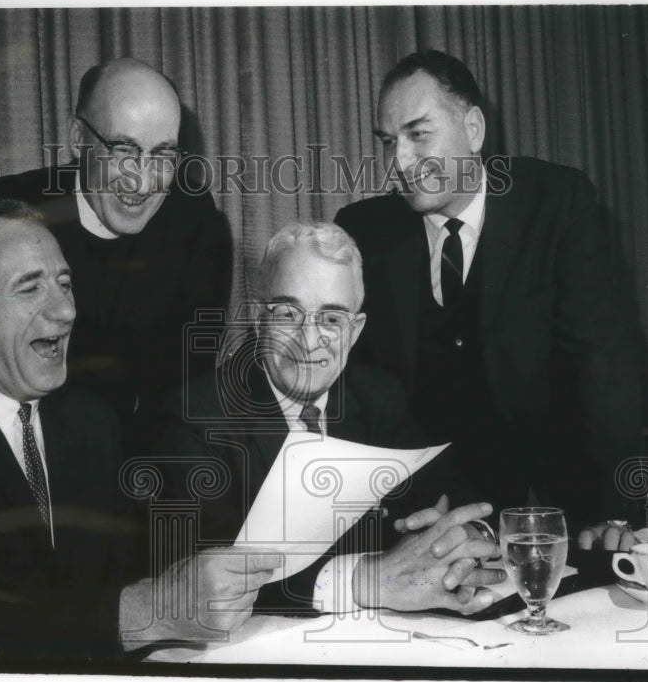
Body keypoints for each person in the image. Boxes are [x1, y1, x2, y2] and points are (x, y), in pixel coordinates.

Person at [0, 200, 274, 663]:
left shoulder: (91, 420)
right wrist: (142, 613)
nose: (64, 312)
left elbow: (134, 562)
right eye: (29, 289)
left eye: (65, 284)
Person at [334, 49, 645, 531]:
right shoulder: (363, 230)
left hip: (560, 504)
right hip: (426, 514)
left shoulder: (557, 202)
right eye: (388, 141)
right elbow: (358, 391)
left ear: (474, 130)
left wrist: (612, 510)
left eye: (418, 134)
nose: (401, 160)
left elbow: (603, 362)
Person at [142, 221, 505, 616]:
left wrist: (464, 536)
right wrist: (364, 579)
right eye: (287, 313)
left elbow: (449, 491)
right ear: (257, 317)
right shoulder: (193, 416)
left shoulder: (378, 395)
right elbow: (202, 579)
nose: (309, 339)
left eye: (332, 318)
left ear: (355, 330)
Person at [0, 57, 232, 426]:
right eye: (124, 151)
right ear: (78, 139)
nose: (142, 183)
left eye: (162, 155)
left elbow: (183, 392)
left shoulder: (195, 229)